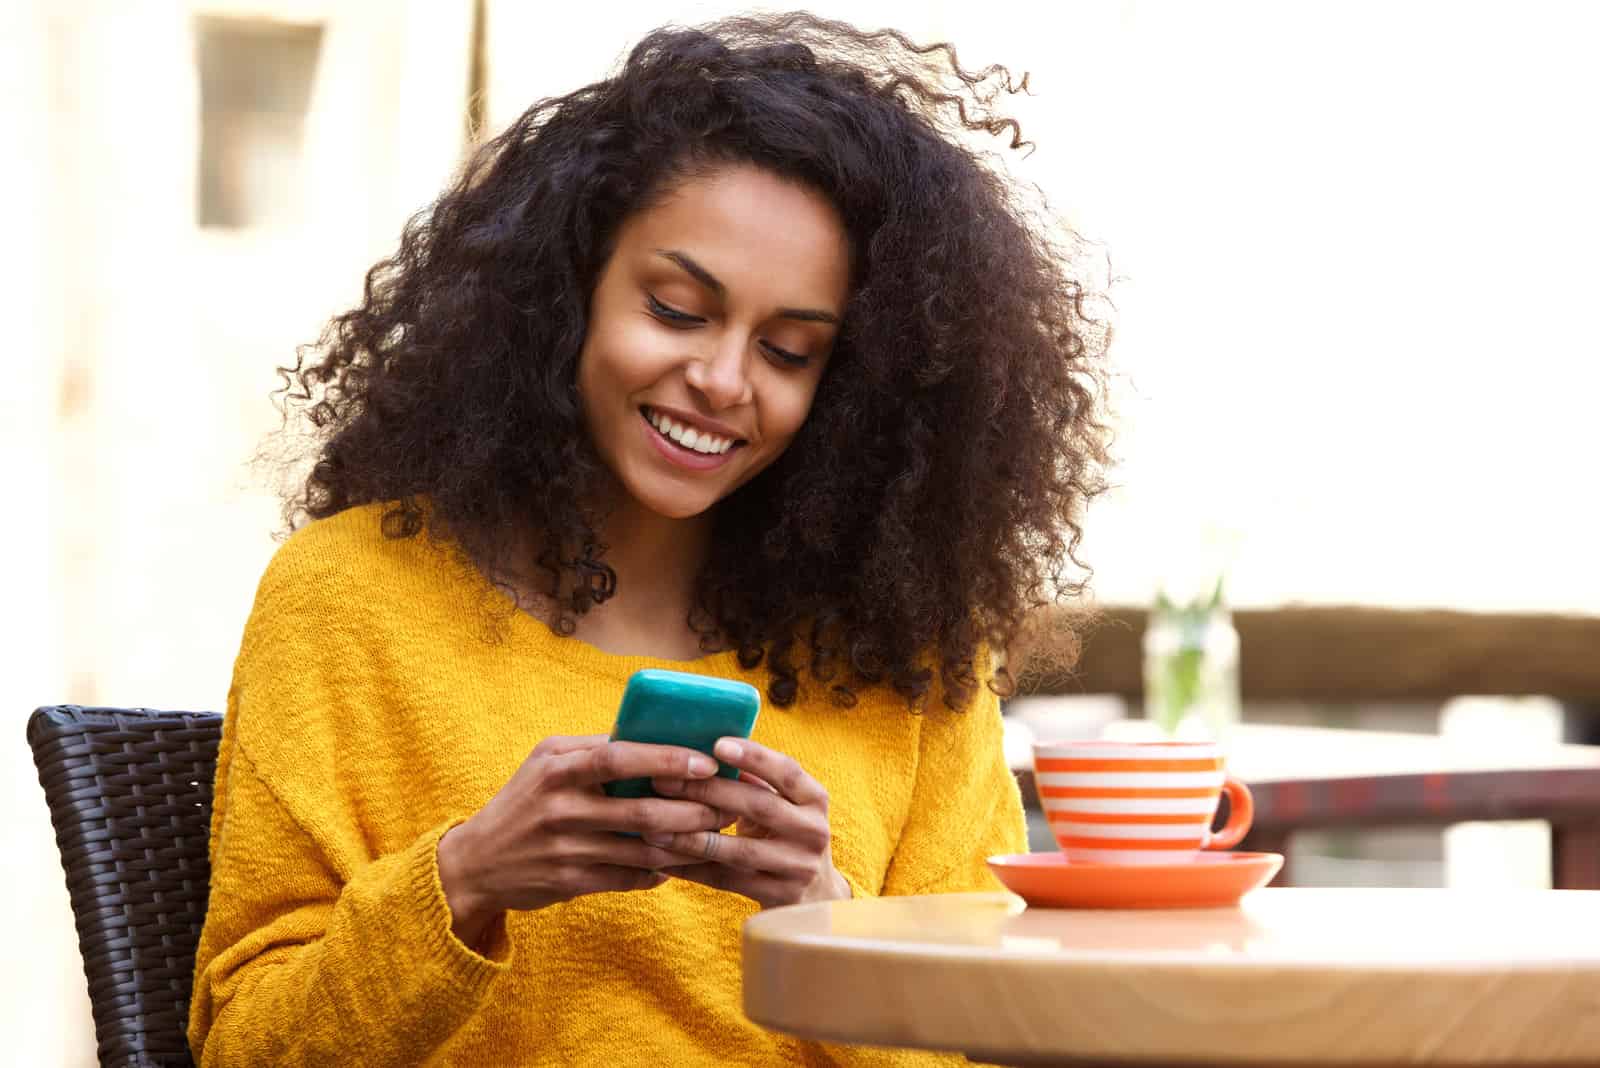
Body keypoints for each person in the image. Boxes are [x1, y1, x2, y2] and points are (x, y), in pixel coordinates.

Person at [188, 11, 1111, 1066]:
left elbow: (990, 1042)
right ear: (565, 291)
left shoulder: (904, 656)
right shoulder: (351, 599)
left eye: (789, 350)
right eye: (676, 309)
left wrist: (829, 924)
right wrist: (468, 877)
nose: (723, 381)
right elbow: (247, 1048)